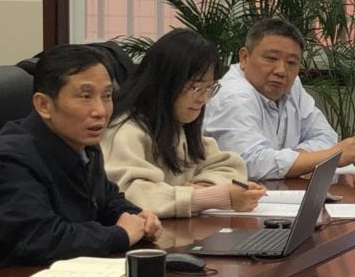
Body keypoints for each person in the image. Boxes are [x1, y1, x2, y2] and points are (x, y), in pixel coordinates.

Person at [0, 45, 162, 277]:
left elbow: (106, 199)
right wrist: (120, 234)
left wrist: (138, 217)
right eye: (85, 97)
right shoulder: (10, 158)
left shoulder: (84, 143)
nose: (100, 111)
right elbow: (40, 239)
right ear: (44, 105)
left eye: (106, 96)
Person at [102, 29, 265, 219]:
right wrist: (209, 197)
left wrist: (203, 187)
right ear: (164, 82)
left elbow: (231, 166)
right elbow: (132, 196)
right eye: (195, 87)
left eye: (209, 87)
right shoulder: (126, 130)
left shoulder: (176, 123)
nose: (203, 98)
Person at [204, 17, 355, 179]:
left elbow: (326, 136)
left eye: (291, 62)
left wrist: (299, 159)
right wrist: (327, 157)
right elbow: (251, 164)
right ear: (244, 57)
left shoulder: (292, 86)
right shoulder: (233, 95)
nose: (281, 71)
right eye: (271, 59)